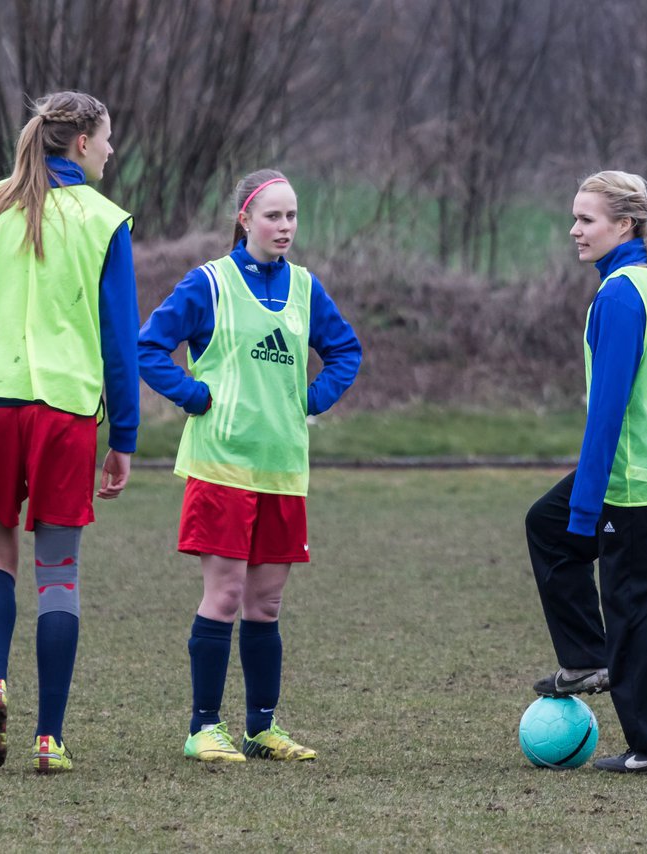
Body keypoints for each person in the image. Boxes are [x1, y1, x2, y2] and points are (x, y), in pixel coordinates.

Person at [0, 91, 138, 774]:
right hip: (62, 412)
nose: (113, 150)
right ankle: (48, 739)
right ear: (81, 142)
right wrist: (126, 435)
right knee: (59, 576)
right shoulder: (105, 220)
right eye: (109, 138)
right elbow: (119, 339)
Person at [138, 169, 361, 763]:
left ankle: (261, 728)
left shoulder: (307, 288)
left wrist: (309, 399)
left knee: (266, 605)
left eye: (292, 216)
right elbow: (149, 347)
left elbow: (345, 350)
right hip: (221, 467)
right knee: (226, 594)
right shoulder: (208, 283)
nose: (285, 226)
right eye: (273, 216)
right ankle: (203, 728)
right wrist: (192, 396)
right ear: (244, 219)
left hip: (283, 469)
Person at [526, 170, 647, 776]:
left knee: (634, 605)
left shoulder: (623, 294)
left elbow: (606, 414)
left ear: (624, 224)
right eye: (575, 218)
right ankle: (586, 660)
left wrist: (588, 507)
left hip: (636, 475)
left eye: (587, 219)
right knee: (547, 527)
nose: (574, 230)